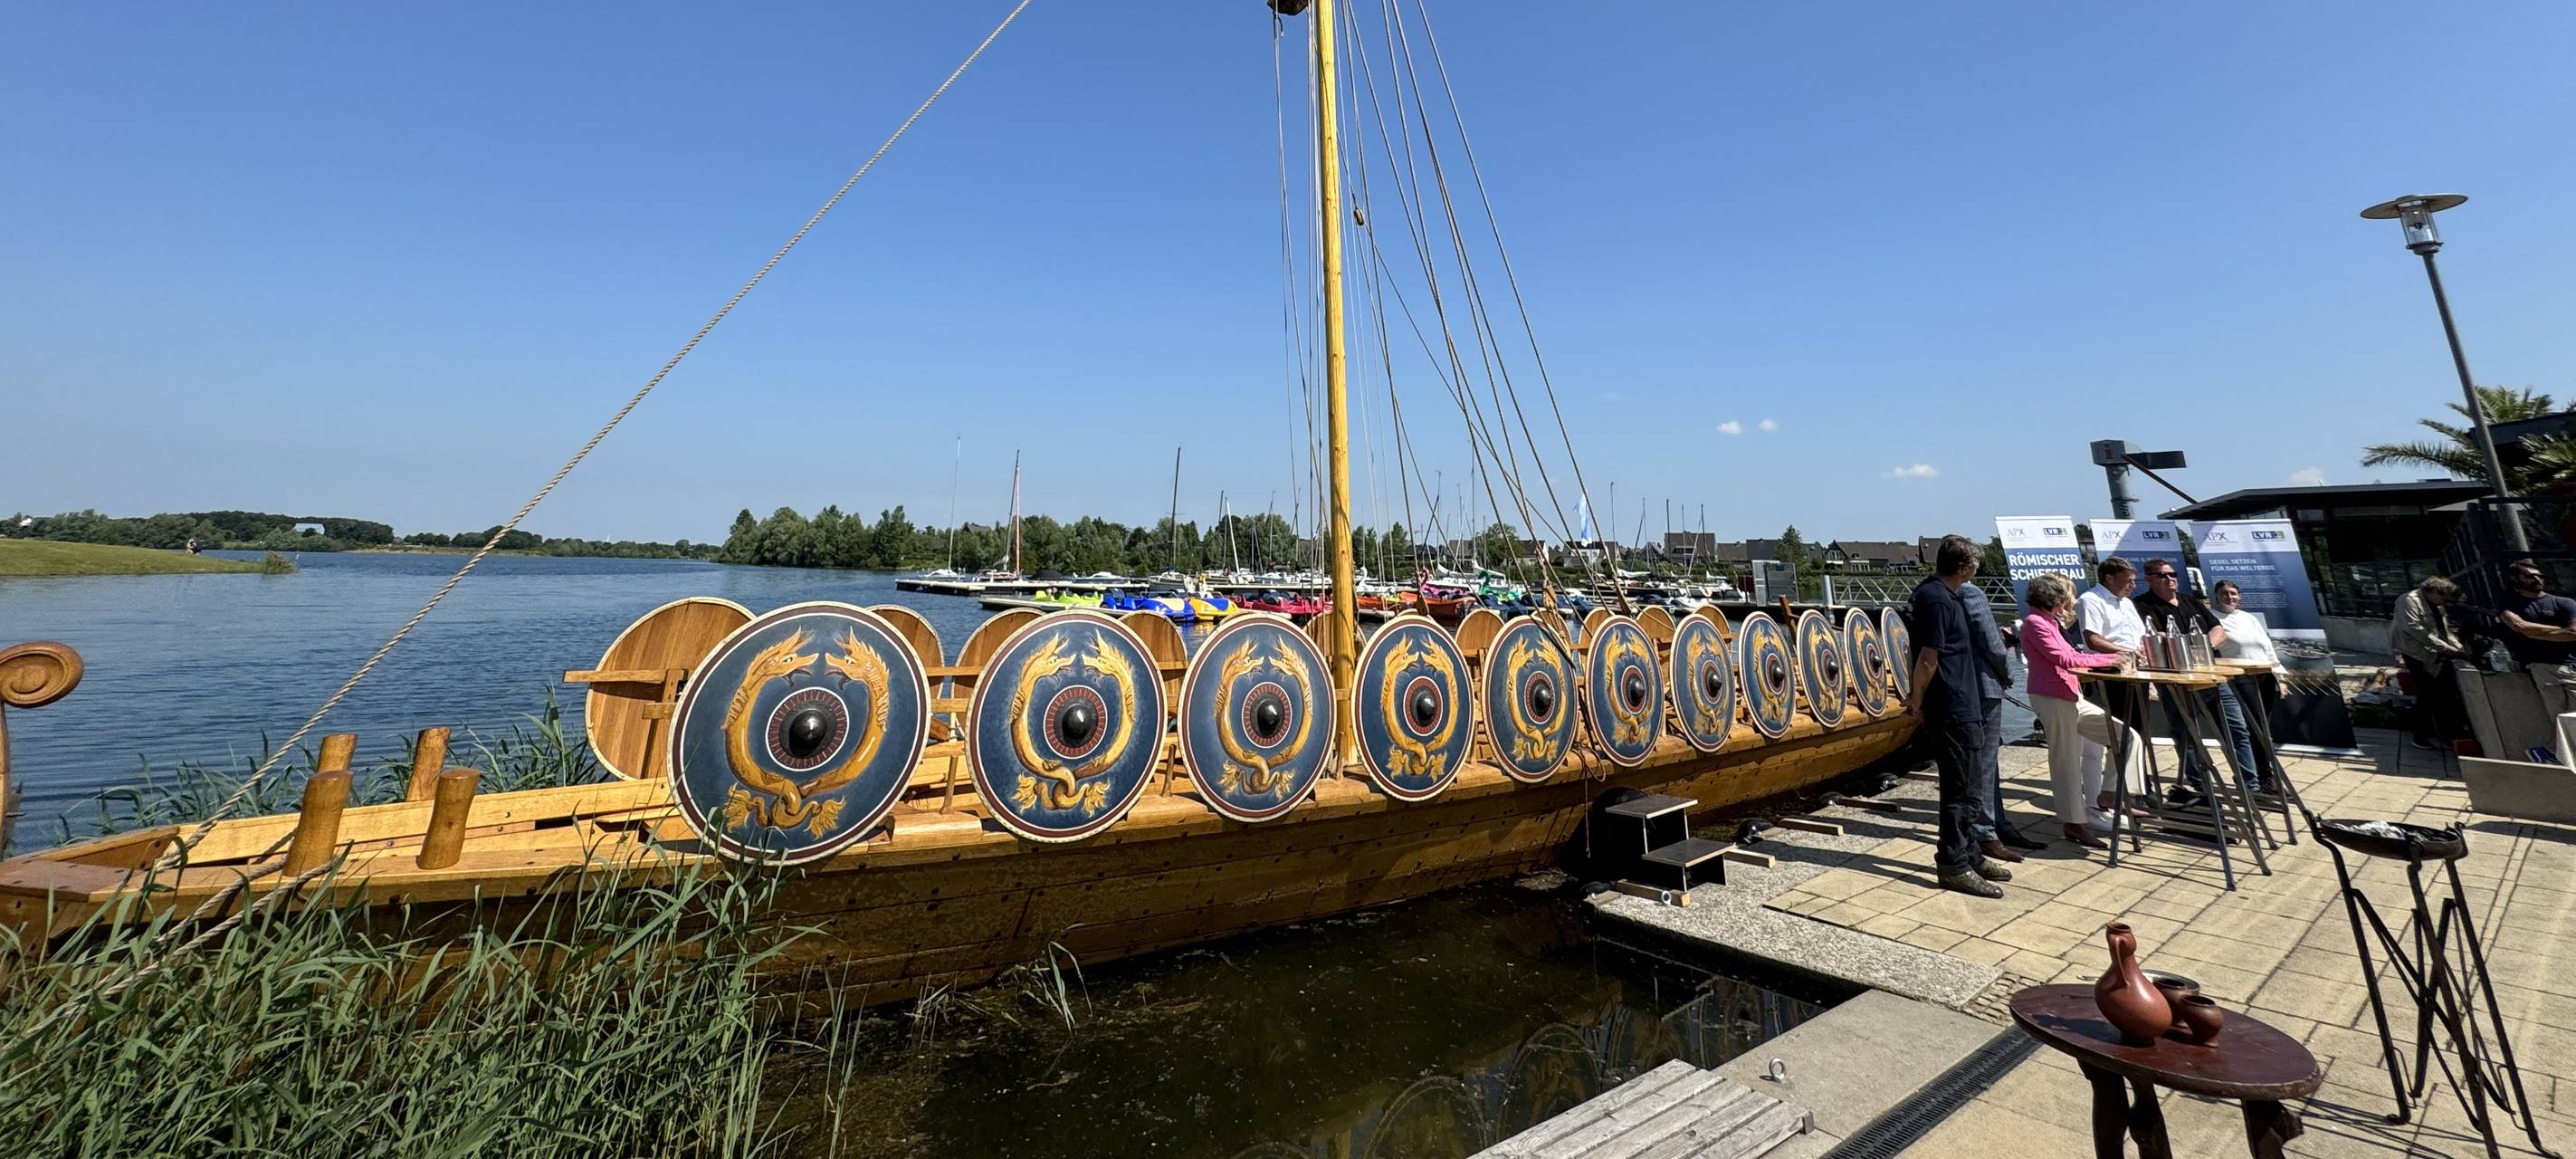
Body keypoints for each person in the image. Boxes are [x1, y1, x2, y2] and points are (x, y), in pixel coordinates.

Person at [1903, 534, 2012, 898]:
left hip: (1963, 700)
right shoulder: (1936, 599)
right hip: (1951, 705)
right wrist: (1916, 699)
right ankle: (1953, 864)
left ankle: (1970, 851)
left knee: (1971, 786)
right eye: (1975, 566)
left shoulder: (1944, 595)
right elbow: (1928, 657)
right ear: (1965, 568)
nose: (1976, 572)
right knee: (1961, 790)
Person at [2018, 573, 2141, 848]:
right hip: (2052, 697)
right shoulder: (2035, 623)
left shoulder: (2051, 622)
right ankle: (2074, 823)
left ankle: (2112, 793)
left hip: (2070, 695)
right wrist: (2113, 657)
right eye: (2063, 600)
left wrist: (2106, 659)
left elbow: (2074, 655)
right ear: (2054, 601)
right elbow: (2065, 658)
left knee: (2126, 736)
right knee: (2066, 760)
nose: (2067, 604)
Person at [2131, 559, 2262, 802]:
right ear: (2149, 578)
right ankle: (2201, 785)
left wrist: (2206, 646)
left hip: (2212, 675)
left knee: (2236, 727)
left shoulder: (2190, 601)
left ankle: (2249, 784)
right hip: (2176, 681)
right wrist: (2193, 647)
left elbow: (2218, 630)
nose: (2169, 579)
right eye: (2162, 575)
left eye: (2172, 574)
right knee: (2186, 733)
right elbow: (2157, 638)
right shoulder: (2141, 606)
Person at [1958, 579, 2041, 858]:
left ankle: (1998, 824)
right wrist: (2007, 674)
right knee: (1986, 761)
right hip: (1984, 685)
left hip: (1965, 685)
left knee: (1985, 762)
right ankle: (1987, 831)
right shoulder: (1971, 592)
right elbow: (1992, 643)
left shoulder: (1939, 591)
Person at [2075, 558, 2148, 826]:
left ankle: (2126, 796)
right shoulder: (2090, 600)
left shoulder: (2127, 603)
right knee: (2109, 739)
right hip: (2106, 674)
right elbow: (2092, 639)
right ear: (2109, 578)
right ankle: (2100, 800)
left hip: (2133, 672)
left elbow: (2138, 636)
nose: (2132, 584)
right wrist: (2125, 652)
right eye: (2127, 579)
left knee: (2134, 734)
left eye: (2133, 579)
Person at [2391, 577, 2471, 750]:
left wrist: (2457, 646)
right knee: (2429, 694)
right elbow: (2415, 630)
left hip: (2437, 652)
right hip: (2417, 653)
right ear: (2434, 591)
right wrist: (2447, 648)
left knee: (2445, 694)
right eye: (2444, 599)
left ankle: (2449, 735)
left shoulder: (2437, 604)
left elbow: (2444, 630)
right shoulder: (2409, 601)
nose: (2444, 603)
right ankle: (2421, 735)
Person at [2498, 560, 2576, 723]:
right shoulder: (2510, 604)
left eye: (2539, 576)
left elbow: (2573, 632)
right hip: (2541, 667)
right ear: (2516, 579)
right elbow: (2520, 626)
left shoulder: (2564, 603)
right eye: (2529, 576)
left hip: (2570, 665)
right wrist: (2560, 631)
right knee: (2558, 719)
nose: (2537, 579)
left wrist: (2537, 634)